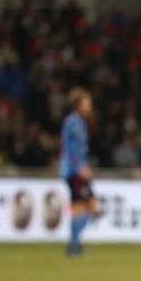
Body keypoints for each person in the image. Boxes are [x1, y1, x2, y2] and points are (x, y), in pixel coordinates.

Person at [59, 87, 98, 256]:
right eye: (86, 102)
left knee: (84, 206)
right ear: (77, 105)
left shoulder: (77, 122)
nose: (89, 105)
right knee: (87, 205)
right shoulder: (74, 122)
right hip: (74, 171)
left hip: (75, 169)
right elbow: (71, 148)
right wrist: (81, 167)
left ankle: (74, 244)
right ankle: (73, 245)